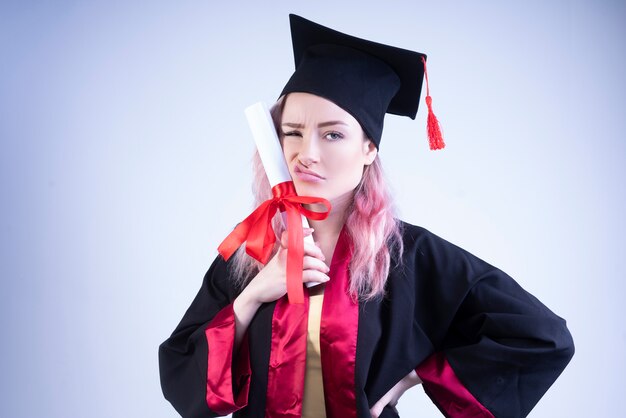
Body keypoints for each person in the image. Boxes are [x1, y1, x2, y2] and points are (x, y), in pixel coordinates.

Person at [158, 14, 574, 418]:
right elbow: (182, 375)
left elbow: (541, 336)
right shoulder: (254, 249)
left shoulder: (405, 256)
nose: (307, 154)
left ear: (369, 149)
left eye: (333, 134)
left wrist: (416, 375)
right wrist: (253, 296)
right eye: (293, 132)